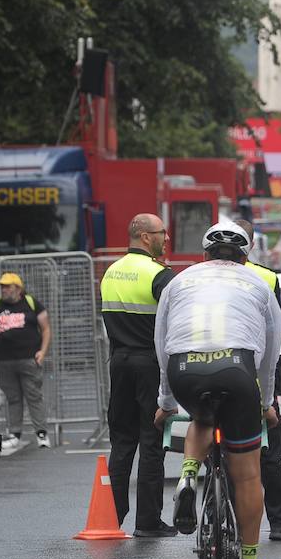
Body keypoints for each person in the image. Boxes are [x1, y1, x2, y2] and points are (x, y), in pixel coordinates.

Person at [154, 221, 281, 559]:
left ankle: (187, 476)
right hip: (236, 368)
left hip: (185, 369)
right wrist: (265, 404)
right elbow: (271, 353)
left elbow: (162, 346)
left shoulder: (179, 282)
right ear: (245, 256)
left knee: (202, 417)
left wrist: (166, 403)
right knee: (247, 476)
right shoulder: (259, 284)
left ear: (204, 254)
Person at [101, 214, 177, 537]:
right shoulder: (159, 275)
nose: (166, 238)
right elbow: (175, 322)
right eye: (162, 233)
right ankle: (147, 522)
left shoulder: (111, 272)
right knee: (151, 441)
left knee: (121, 442)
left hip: (119, 361)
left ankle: (111, 517)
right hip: (149, 364)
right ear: (146, 237)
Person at [235, 218, 281, 541]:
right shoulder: (267, 277)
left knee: (222, 449)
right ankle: (280, 525)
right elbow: (274, 329)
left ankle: (221, 519)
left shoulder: (201, 274)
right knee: (270, 453)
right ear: (250, 245)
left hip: (212, 368)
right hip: (256, 370)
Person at [0, 273, 51, 455]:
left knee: (34, 396)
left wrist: (42, 351)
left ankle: (41, 434)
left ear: (18, 288)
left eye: (7, 286)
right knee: (13, 398)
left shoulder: (31, 303)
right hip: (4, 361)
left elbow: (46, 329)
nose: (3, 290)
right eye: (2, 286)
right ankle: (15, 434)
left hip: (29, 359)